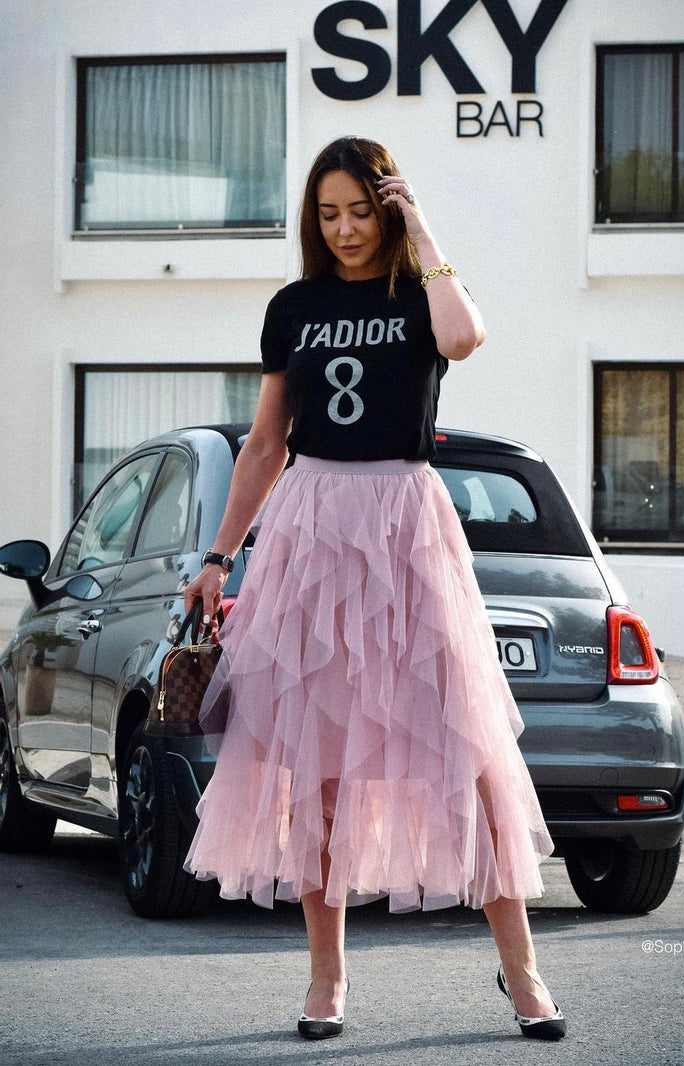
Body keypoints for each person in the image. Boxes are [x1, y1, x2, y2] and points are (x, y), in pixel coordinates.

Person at [182, 136, 566, 1042]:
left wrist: (422, 223)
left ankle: (524, 975)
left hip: (405, 524)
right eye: (329, 213)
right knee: (314, 769)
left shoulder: (419, 294)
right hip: (310, 528)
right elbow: (266, 444)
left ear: (386, 209)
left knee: (468, 752)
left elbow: (465, 336)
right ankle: (327, 982)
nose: (345, 228)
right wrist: (217, 556)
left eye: (362, 209)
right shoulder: (294, 307)